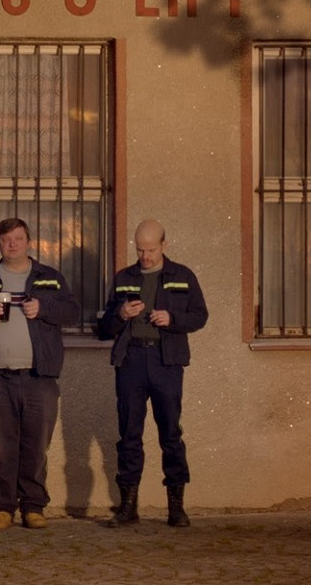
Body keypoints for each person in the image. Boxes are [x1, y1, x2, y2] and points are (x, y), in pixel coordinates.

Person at [0, 217, 81, 531]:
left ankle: (33, 507)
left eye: (18, 239)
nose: (12, 244)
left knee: (35, 447)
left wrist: (44, 309)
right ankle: (2, 508)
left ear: (29, 242)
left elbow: (73, 312)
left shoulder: (49, 277)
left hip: (40, 377)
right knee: (0, 448)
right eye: (6, 240)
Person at [96, 219, 208, 527]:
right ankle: (128, 507)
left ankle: (176, 508)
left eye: (151, 250)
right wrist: (120, 314)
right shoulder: (124, 278)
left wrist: (172, 318)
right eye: (140, 250)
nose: (145, 256)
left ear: (164, 245)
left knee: (170, 433)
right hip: (131, 360)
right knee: (129, 433)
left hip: (166, 361)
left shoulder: (182, 276)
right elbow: (103, 328)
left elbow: (200, 316)